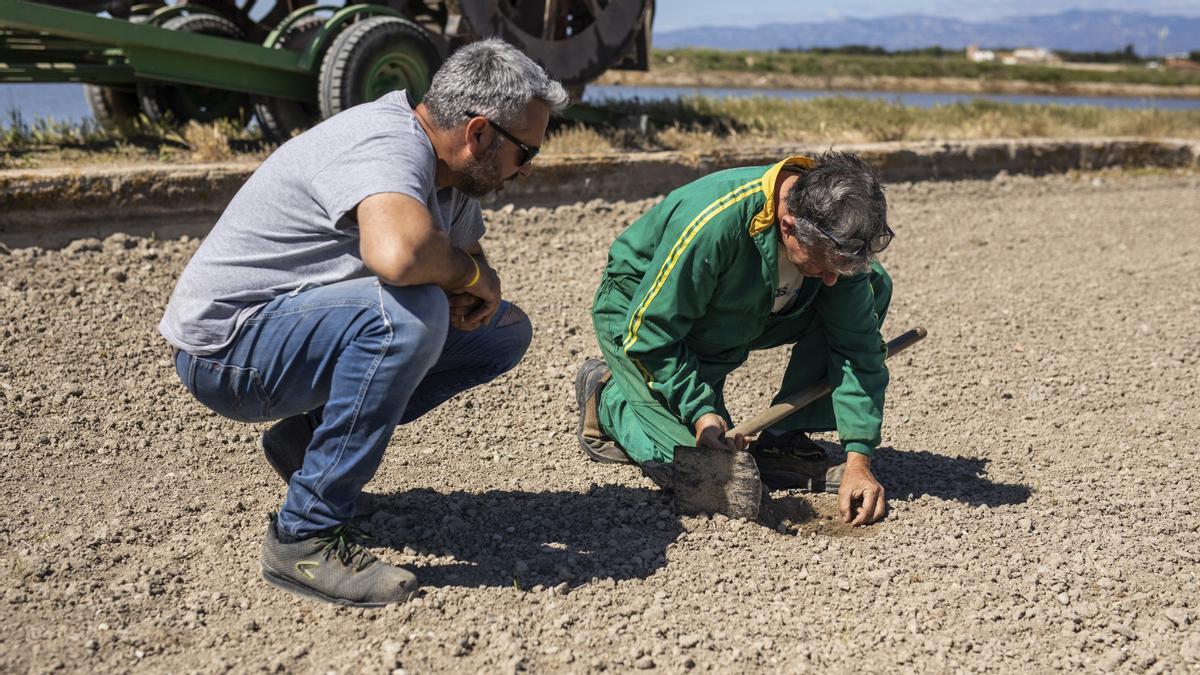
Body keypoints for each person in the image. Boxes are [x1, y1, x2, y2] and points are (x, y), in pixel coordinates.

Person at [159, 38, 568, 606]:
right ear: (477, 134)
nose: (525, 170)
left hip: (286, 333)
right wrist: (463, 281)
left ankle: (307, 450)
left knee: (501, 330)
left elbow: (468, 258)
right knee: (411, 310)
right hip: (228, 352)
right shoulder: (387, 144)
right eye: (526, 153)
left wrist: (474, 283)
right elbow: (401, 255)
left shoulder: (449, 178)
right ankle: (304, 536)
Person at [576, 152, 894, 526]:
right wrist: (700, 409)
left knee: (872, 288)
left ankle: (783, 438)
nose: (829, 279)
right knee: (707, 475)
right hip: (644, 316)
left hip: (742, 309)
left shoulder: (837, 239)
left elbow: (855, 346)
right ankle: (608, 398)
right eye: (822, 265)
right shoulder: (712, 223)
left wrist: (859, 458)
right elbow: (652, 333)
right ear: (789, 225)